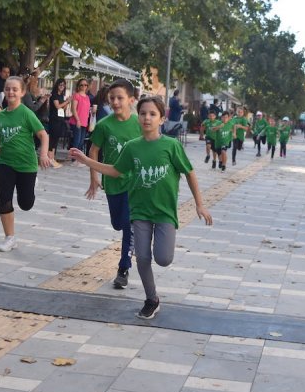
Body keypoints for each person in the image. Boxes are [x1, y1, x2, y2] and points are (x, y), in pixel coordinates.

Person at [69, 95, 212, 319]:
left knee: (163, 258)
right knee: (143, 258)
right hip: (139, 211)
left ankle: (153, 289)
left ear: (162, 119)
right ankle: (151, 299)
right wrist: (87, 162)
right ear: (138, 117)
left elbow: (189, 172)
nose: (147, 118)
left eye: (153, 114)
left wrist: (200, 205)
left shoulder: (171, 146)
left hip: (164, 212)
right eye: (143, 113)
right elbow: (116, 170)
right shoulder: (132, 147)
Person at [0, 76, 51, 252]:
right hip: (5, 163)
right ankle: (9, 238)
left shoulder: (27, 113)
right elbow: (3, 137)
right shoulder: (1, 116)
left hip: (27, 164)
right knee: (4, 200)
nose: (11, 92)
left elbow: (43, 135)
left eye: (14, 89)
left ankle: (31, 185)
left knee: (25, 204)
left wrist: (43, 154)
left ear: (22, 92)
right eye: (8, 89)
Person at [85, 79, 141, 289]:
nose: (116, 102)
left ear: (131, 100)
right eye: (112, 98)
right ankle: (128, 242)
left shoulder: (139, 124)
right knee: (117, 223)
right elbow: (93, 151)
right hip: (112, 183)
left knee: (128, 224)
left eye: (120, 98)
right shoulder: (103, 125)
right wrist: (94, 178)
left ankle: (123, 269)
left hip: (134, 185)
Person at [47, 79, 69, 167]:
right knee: (52, 139)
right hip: (54, 120)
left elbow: (62, 109)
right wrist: (67, 101)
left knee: (56, 139)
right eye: (60, 85)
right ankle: (50, 158)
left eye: (63, 85)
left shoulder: (61, 96)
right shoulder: (55, 95)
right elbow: (57, 106)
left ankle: (52, 158)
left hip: (60, 119)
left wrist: (67, 102)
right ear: (57, 85)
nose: (62, 87)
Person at [68, 78, 91, 162]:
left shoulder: (87, 97)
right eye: (82, 85)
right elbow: (73, 109)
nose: (84, 86)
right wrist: (78, 120)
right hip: (76, 121)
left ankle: (78, 159)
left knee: (81, 141)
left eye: (85, 85)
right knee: (76, 141)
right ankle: (73, 159)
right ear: (78, 86)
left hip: (84, 122)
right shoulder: (76, 95)